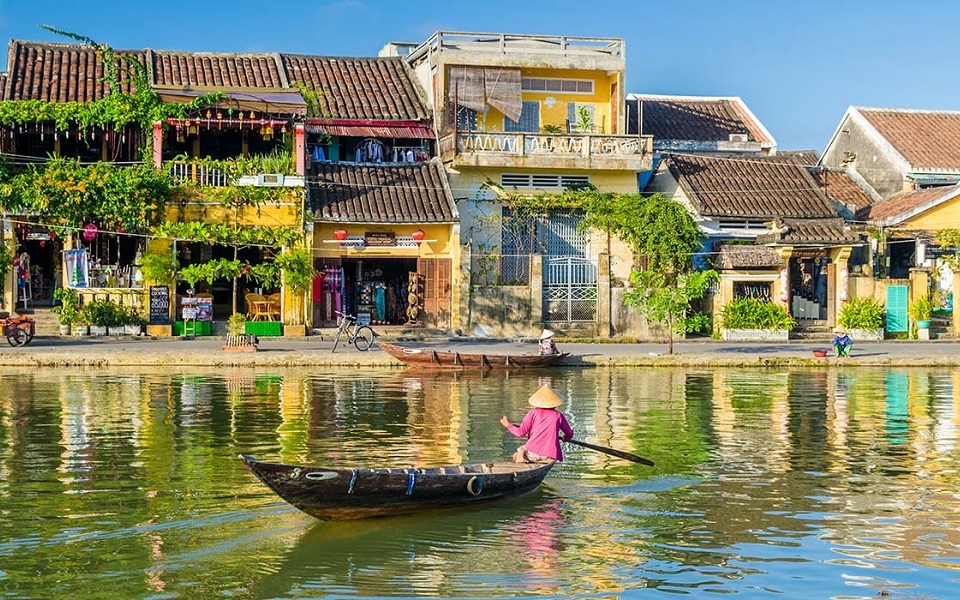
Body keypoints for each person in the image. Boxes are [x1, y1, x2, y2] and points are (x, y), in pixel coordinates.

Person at [500, 384, 574, 463]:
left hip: (533, 453)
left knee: (517, 453)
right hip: (550, 455)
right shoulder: (558, 415)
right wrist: (565, 438)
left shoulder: (533, 413)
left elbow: (520, 432)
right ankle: (522, 454)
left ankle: (521, 455)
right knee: (524, 450)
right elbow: (569, 433)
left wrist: (509, 425)